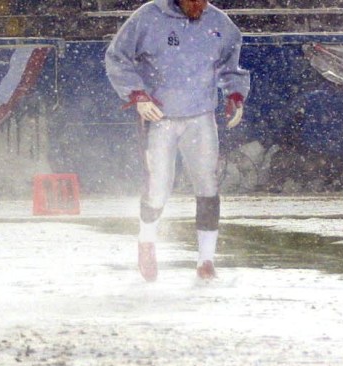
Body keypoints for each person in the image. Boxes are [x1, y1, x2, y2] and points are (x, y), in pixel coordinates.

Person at [104, 0, 250, 281]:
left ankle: (205, 260)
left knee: (208, 183)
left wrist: (235, 95)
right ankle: (146, 241)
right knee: (159, 185)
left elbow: (231, 65)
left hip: (200, 117)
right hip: (162, 117)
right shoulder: (149, 17)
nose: (198, 5)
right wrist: (137, 94)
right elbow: (117, 57)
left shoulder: (219, 23)